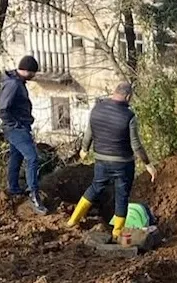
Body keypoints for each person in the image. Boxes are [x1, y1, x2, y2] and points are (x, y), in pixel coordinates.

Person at [66, 82, 158, 243]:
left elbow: (89, 132)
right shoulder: (129, 116)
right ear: (128, 97)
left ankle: (73, 220)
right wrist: (148, 165)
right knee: (122, 195)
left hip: (101, 159)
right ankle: (117, 233)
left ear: (114, 93)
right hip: (123, 163)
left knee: (95, 187)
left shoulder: (97, 109)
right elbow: (136, 144)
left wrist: (84, 150)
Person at [0, 55, 47, 215]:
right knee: (32, 157)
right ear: (27, 71)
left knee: (16, 156)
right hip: (16, 128)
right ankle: (33, 194)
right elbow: (3, 109)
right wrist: (16, 125)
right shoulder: (13, 84)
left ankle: (13, 188)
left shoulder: (16, 81)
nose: (34, 76)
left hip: (18, 126)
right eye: (33, 73)